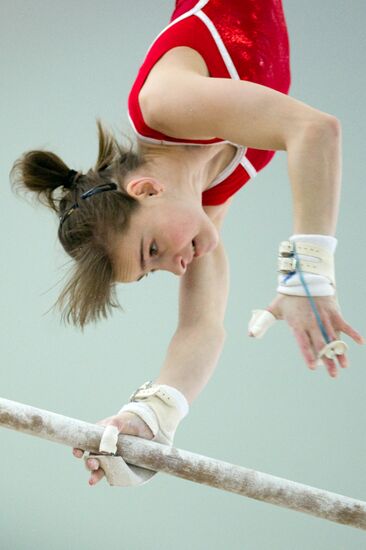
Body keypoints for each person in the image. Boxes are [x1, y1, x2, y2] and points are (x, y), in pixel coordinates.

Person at [10, 0, 364, 487]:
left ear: (146, 190)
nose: (177, 268)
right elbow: (201, 324)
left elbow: (315, 130)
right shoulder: (208, 193)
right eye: (155, 269)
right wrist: (151, 417)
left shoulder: (163, 106)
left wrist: (308, 273)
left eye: (151, 250)